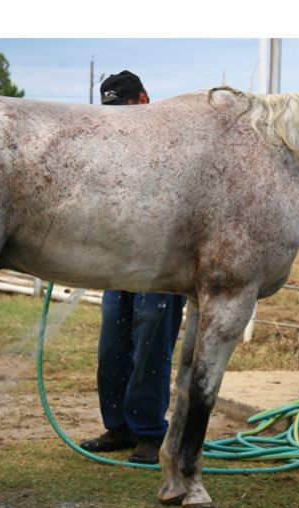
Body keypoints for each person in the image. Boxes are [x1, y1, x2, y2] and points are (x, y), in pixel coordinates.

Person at [80, 70, 186, 465]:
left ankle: (149, 432)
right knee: (113, 345)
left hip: (161, 264)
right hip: (120, 263)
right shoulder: (110, 147)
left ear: (143, 101)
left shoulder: (172, 144)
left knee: (151, 344)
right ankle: (119, 426)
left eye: (121, 110)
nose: (115, 120)